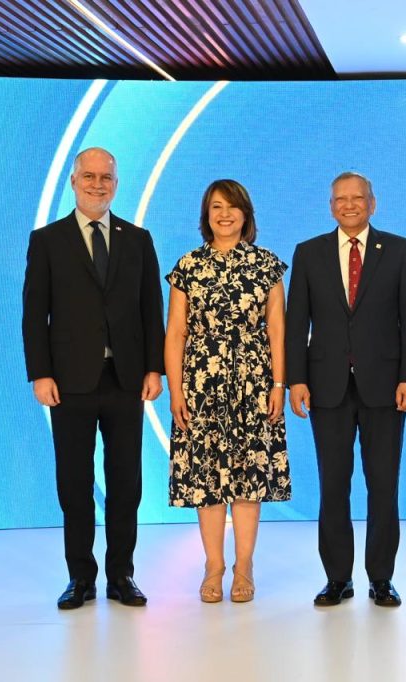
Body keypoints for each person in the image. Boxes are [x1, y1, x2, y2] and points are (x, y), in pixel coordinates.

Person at [22, 147, 165, 610]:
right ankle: (80, 577)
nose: (97, 184)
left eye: (106, 177)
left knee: (126, 484)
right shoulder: (47, 240)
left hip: (126, 381)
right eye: (89, 176)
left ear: (116, 184)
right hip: (68, 383)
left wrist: (154, 368)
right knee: (74, 484)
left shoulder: (137, 239)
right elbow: (34, 315)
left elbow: (151, 310)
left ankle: (122, 575)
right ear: (73, 181)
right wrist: (40, 374)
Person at [286, 172, 406, 608]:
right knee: (333, 486)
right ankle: (337, 578)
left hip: (385, 387)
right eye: (340, 199)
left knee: (383, 486)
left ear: (372, 203)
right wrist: (296, 379)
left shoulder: (399, 250)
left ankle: (381, 578)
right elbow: (296, 323)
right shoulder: (308, 252)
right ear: (331, 206)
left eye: (357, 198)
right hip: (326, 387)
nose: (349, 205)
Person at [164, 179, 291, 604]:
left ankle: (244, 566)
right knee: (208, 479)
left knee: (249, 478)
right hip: (202, 383)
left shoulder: (267, 264)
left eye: (232, 207)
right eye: (216, 206)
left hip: (255, 383)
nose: (224, 214)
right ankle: (214, 565)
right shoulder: (188, 265)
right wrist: (176, 391)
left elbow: (277, 329)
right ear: (206, 214)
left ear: (245, 214)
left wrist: (278, 384)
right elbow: (176, 333)